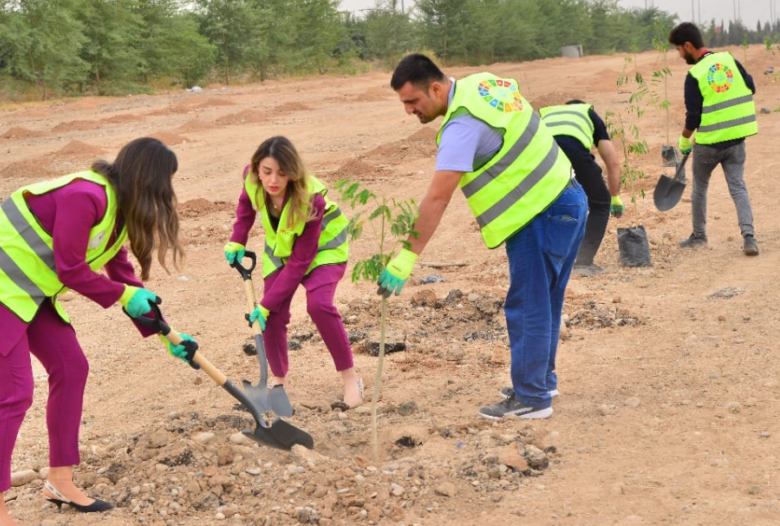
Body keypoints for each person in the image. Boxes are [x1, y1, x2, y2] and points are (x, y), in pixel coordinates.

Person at [0, 137, 197, 526]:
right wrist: (125, 296)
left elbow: (122, 276)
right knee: (14, 391)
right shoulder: (86, 196)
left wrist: (168, 334)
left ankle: (60, 481)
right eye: (166, 183)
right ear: (148, 178)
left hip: (27, 288)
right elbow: (71, 270)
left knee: (71, 366)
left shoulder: (117, 213)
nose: (168, 194)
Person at [383, 54, 587, 420]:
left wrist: (406, 257)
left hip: (537, 215)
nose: (409, 111)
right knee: (547, 302)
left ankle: (531, 398)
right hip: (568, 198)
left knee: (528, 306)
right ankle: (541, 381)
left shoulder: (461, 128)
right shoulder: (483, 84)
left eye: (412, 102)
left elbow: (437, 198)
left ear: (435, 87)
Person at [224, 136, 364, 408]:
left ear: (293, 172)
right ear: (256, 169)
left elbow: (300, 263)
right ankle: (277, 384)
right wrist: (238, 238)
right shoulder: (252, 178)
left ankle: (351, 379)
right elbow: (245, 207)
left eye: (282, 173)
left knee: (319, 305)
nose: (273, 180)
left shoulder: (311, 199)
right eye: (266, 172)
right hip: (282, 248)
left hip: (323, 248)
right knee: (272, 316)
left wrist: (265, 305)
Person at [668, 22, 759, 256]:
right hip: (737, 140)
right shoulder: (729, 60)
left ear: (688, 45)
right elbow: (751, 87)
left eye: (679, 50)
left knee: (699, 188)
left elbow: (693, 117)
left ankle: (699, 236)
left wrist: (684, 139)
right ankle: (749, 237)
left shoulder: (694, 75)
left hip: (708, 144)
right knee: (738, 187)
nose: (680, 55)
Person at [540, 100, 623, 276]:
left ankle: (545, 258)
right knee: (600, 203)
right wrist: (614, 196)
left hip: (541, 156)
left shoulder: (546, 113)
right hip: (573, 150)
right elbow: (613, 162)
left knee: (547, 205)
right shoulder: (588, 113)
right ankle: (583, 262)